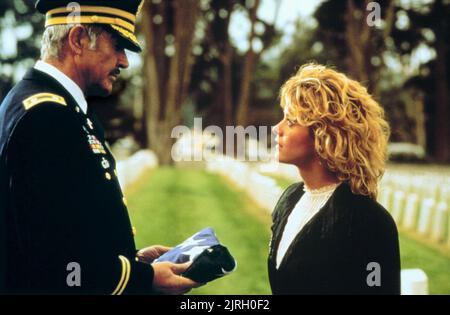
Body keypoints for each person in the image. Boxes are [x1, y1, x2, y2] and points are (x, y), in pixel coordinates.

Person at [0, 0, 199, 294]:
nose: (124, 61)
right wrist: (144, 279)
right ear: (78, 40)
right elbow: (56, 263)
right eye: (117, 45)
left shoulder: (59, 109)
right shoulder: (47, 116)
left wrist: (132, 262)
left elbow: (69, 232)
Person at [268, 63, 400, 294]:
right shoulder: (289, 199)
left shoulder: (370, 222)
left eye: (291, 121)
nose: (276, 128)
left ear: (325, 133)